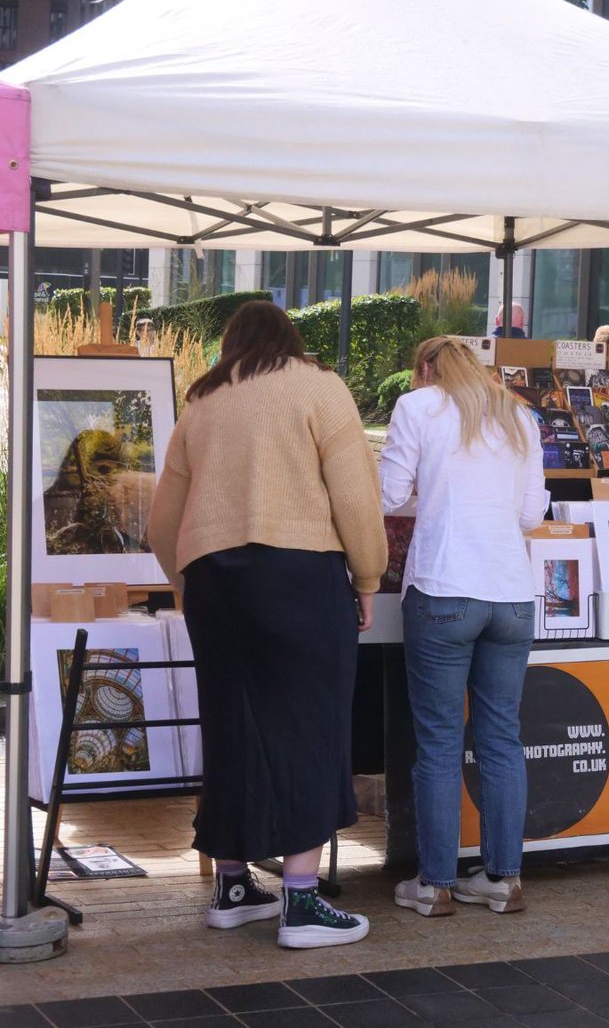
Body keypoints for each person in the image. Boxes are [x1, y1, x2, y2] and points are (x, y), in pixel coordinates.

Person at [147, 301, 387, 948]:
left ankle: (232, 887)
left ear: (231, 344)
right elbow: (356, 497)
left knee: (231, 729)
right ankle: (301, 902)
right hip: (300, 577)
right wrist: (368, 579)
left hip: (213, 585)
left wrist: (188, 586)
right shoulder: (318, 387)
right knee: (309, 727)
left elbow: (161, 525)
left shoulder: (202, 404)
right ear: (291, 339)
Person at [380, 335, 546, 916]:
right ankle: (503, 878)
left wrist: (432, 493)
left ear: (426, 369)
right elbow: (531, 515)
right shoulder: (519, 415)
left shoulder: (417, 406)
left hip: (444, 586)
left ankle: (435, 884)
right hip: (512, 593)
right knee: (502, 739)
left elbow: (388, 493)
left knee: (440, 742)